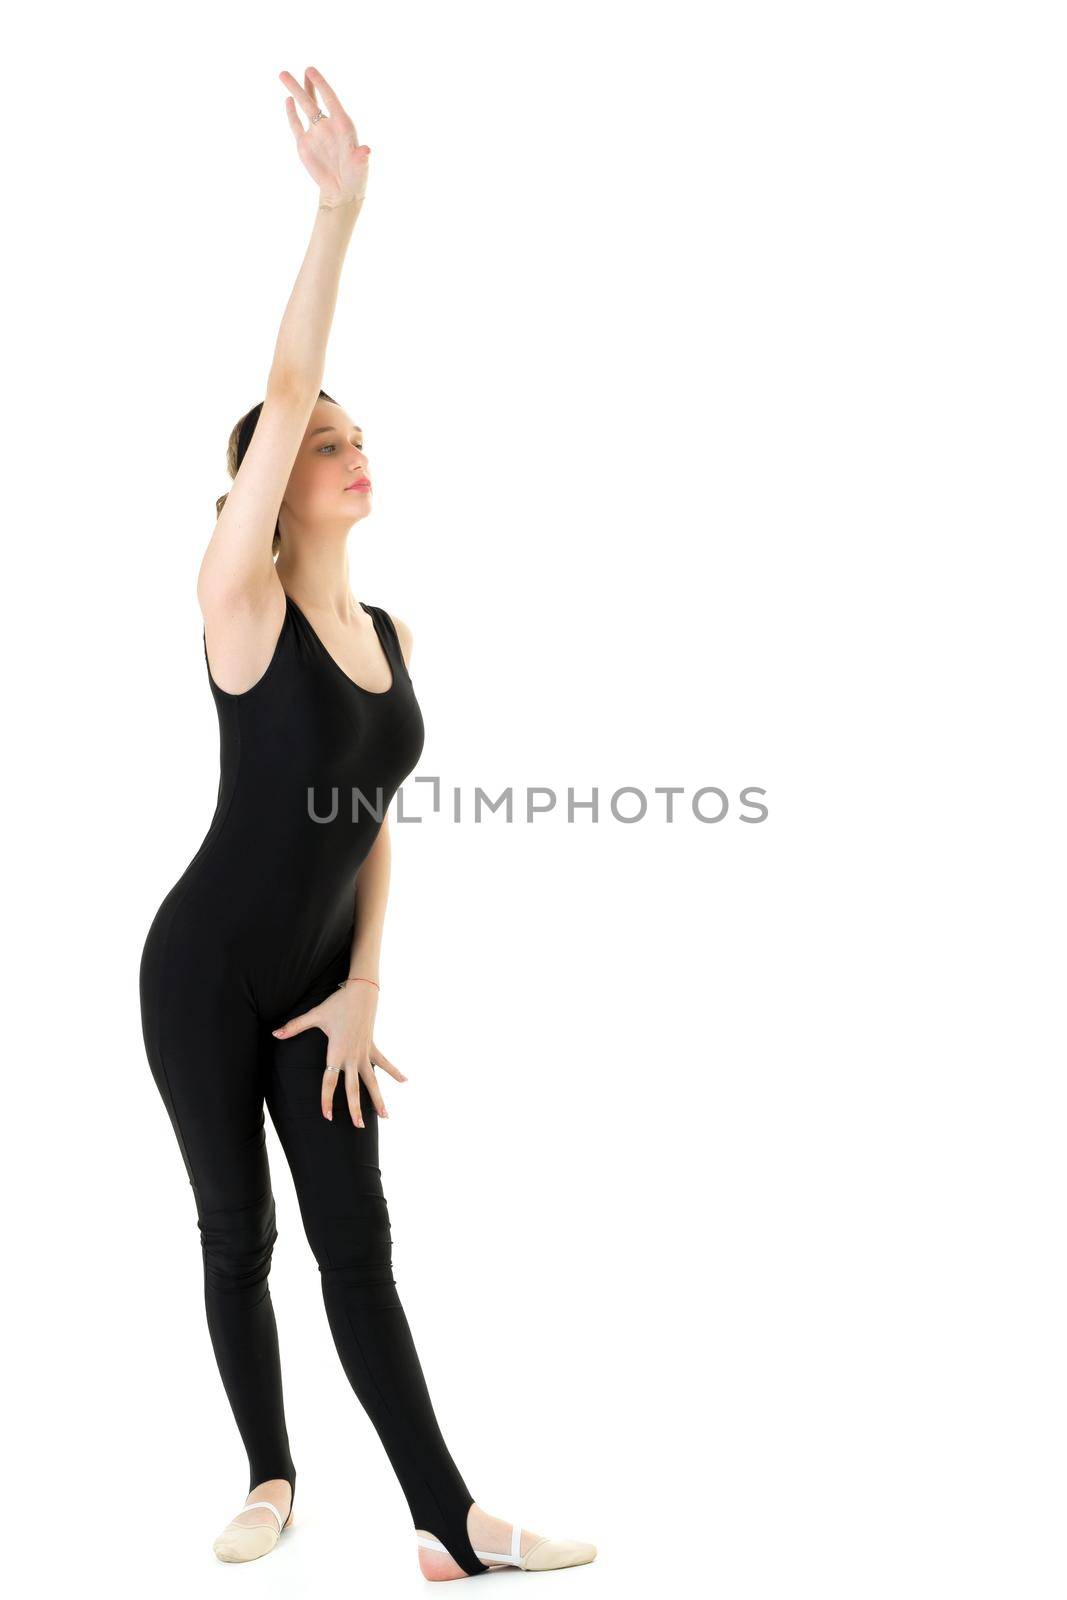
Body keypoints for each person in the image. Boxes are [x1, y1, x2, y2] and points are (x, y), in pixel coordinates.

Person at [138, 66, 597, 1580]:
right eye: (325, 444)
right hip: (202, 972)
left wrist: (363, 984)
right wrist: (339, 210)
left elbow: (366, 815)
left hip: (321, 990)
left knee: (360, 1249)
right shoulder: (239, 601)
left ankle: (447, 1519)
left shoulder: (393, 635)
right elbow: (281, 393)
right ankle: (268, 1475)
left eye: (353, 437)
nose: (347, 451)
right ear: (267, 497)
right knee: (237, 1236)